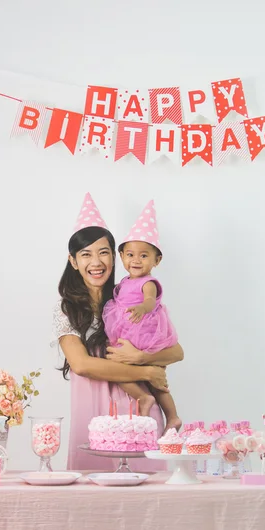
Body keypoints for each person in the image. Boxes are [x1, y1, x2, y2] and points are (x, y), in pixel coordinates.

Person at [51, 193, 184, 471]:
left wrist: (140, 357)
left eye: (103, 252)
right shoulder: (68, 309)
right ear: (73, 261)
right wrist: (146, 372)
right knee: (92, 500)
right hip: (94, 417)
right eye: (85, 254)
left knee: (146, 501)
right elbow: (82, 364)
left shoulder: (133, 300)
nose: (96, 262)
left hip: (140, 415)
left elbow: (176, 351)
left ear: (115, 257)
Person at [102, 200, 181, 433]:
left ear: (157, 260)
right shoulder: (125, 281)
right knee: (123, 372)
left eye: (144, 256)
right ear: (122, 257)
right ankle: (151, 403)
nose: (136, 260)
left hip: (144, 333)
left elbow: (149, 301)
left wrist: (142, 309)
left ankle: (171, 414)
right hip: (126, 330)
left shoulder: (149, 283)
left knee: (152, 377)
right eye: (130, 255)